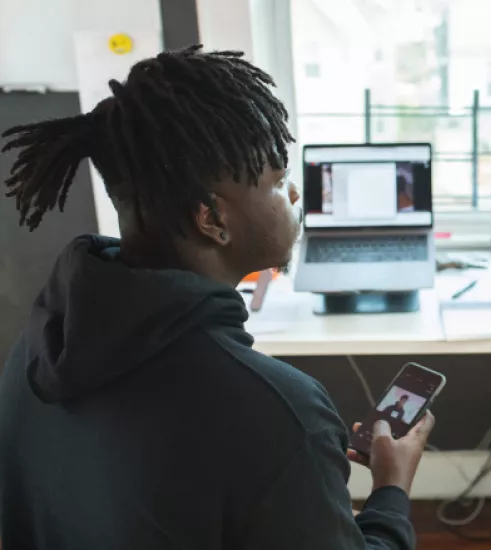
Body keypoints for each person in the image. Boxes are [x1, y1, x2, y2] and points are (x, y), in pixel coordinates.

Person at [0, 45, 433, 550]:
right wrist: (391, 489)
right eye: (278, 181)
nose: (295, 196)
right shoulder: (281, 414)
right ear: (212, 219)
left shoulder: (37, 345)